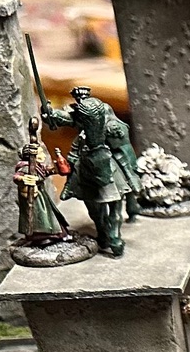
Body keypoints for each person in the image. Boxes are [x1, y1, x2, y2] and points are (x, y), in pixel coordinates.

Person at [43, 85, 141, 257]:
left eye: (82, 98)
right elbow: (66, 118)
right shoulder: (77, 112)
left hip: (105, 154)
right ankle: (103, 232)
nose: (80, 101)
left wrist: (112, 134)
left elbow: (119, 136)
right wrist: (51, 114)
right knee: (77, 170)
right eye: (78, 99)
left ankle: (115, 233)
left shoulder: (104, 111)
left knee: (124, 165)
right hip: (86, 155)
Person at [13, 117, 73, 247]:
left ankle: (58, 234)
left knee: (50, 215)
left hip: (41, 194)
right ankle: (42, 237)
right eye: (40, 154)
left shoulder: (38, 166)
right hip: (34, 196)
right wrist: (24, 179)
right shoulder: (26, 167)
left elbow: (47, 171)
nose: (43, 156)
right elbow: (17, 177)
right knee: (41, 217)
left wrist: (58, 168)